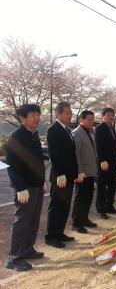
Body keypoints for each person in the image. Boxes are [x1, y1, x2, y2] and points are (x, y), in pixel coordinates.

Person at [5, 104, 45, 271]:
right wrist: (20, 188)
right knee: (22, 221)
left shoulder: (34, 135)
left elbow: (37, 161)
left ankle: (28, 249)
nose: (37, 118)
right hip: (24, 188)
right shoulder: (15, 138)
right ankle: (15, 257)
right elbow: (12, 167)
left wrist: (42, 181)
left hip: (36, 184)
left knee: (33, 219)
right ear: (22, 118)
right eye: (33, 115)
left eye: (38, 114)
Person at [45, 102, 77, 248]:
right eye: (66, 112)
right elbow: (54, 154)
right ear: (58, 114)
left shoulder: (68, 130)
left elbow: (71, 154)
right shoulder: (53, 129)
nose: (69, 115)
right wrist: (59, 174)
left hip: (69, 175)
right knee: (56, 205)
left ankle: (59, 232)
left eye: (70, 112)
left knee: (65, 205)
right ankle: (51, 236)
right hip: (60, 176)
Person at [71, 110, 98, 234]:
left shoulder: (90, 132)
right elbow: (75, 154)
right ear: (81, 119)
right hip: (82, 173)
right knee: (80, 198)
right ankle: (76, 223)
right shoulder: (77, 133)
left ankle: (84, 218)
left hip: (91, 171)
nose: (92, 122)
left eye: (93, 119)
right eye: (89, 119)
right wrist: (79, 172)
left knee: (88, 196)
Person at [95, 107, 116, 219]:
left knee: (112, 185)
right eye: (109, 115)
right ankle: (100, 209)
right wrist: (102, 160)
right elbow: (98, 146)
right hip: (104, 163)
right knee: (102, 186)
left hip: (113, 162)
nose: (111, 117)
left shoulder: (112, 128)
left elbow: (115, 146)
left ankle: (109, 205)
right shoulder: (100, 128)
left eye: (112, 115)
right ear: (103, 116)